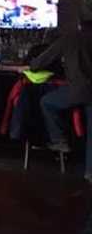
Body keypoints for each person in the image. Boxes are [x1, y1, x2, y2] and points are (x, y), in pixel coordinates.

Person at [29, 18, 92, 172]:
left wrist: (32, 65)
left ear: (79, 24)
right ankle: (90, 173)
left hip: (77, 91)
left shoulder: (70, 38)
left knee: (46, 102)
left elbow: (40, 62)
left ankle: (59, 140)